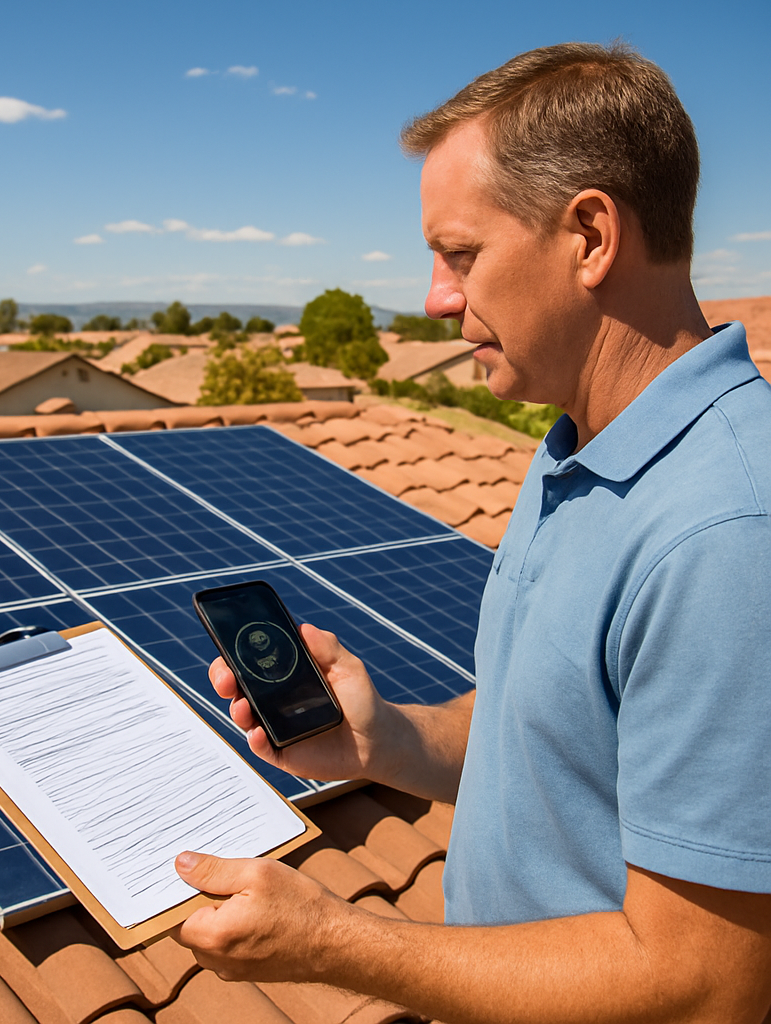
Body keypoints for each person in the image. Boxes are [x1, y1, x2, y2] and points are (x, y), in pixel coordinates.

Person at [172, 42, 771, 1023]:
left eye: (459, 254)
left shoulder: (728, 534)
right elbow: (544, 741)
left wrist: (334, 940)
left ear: (588, 235)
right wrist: (381, 738)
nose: (436, 299)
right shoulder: (573, 443)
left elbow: (706, 981)